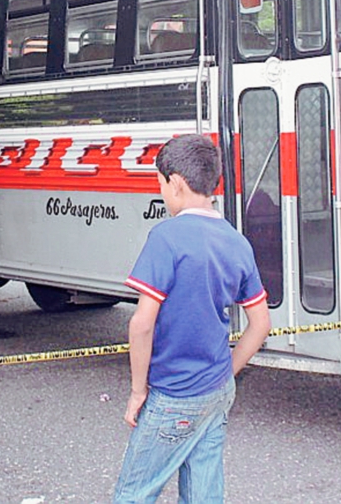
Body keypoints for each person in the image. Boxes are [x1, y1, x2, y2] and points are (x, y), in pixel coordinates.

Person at [113, 134, 272, 504]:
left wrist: (138, 392)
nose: (163, 194)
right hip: (216, 391)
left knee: (133, 493)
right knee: (203, 493)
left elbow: (142, 323)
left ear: (177, 184)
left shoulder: (166, 238)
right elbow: (260, 324)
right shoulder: (236, 242)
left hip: (174, 394)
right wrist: (226, 371)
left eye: (161, 185)